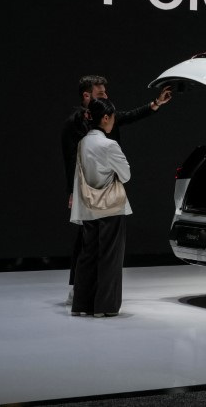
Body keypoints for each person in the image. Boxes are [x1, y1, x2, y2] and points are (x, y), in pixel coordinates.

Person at [61, 75, 171, 304]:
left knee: (92, 243)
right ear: (87, 95)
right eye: (101, 94)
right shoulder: (78, 126)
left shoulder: (102, 124)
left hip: (103, 188)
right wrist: (73, 191)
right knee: (88, 243)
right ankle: (86, 292)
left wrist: (155, 104)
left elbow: (129, 116)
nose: (106, 97)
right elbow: (71, 161)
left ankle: (88, 296)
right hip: (90, 189)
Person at [70, 98, 131, 317]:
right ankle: (104, 307)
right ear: (105, 118)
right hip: (110, 207)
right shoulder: (109, 144)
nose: (113, 122)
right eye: (112, 118)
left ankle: (82, 305)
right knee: (110, 256)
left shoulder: (83, 142)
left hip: (88, 206)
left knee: (88, 255)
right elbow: (126, 174)